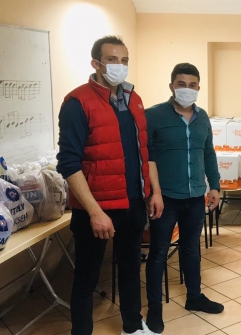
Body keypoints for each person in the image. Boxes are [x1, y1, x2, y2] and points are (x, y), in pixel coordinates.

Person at [57, 35, 164, 335]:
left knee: (130, 269)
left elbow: (145, 152)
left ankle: (132, 326)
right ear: (96, 63)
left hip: (133, 203)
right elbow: (69, 163)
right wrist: (94, 212)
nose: (120, 65)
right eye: (112, 59)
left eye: (124, 60)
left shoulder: (134, 99)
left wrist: (154, 192)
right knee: (87, 278)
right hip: (97, 209)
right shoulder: (78, 103)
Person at [145, 63, 223, 334]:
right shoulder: (153, 116)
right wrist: (154, 193)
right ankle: (154, 310)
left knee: (191, 249)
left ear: (198, 88)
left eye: (192, 85)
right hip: (165, 198)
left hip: (195, 196)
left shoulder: (202, 118)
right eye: (181, 84)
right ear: (171, 86)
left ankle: (194, 297)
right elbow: (147, 158)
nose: (187, 89)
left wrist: (215, 186)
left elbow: (208, 152)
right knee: (158, 254)